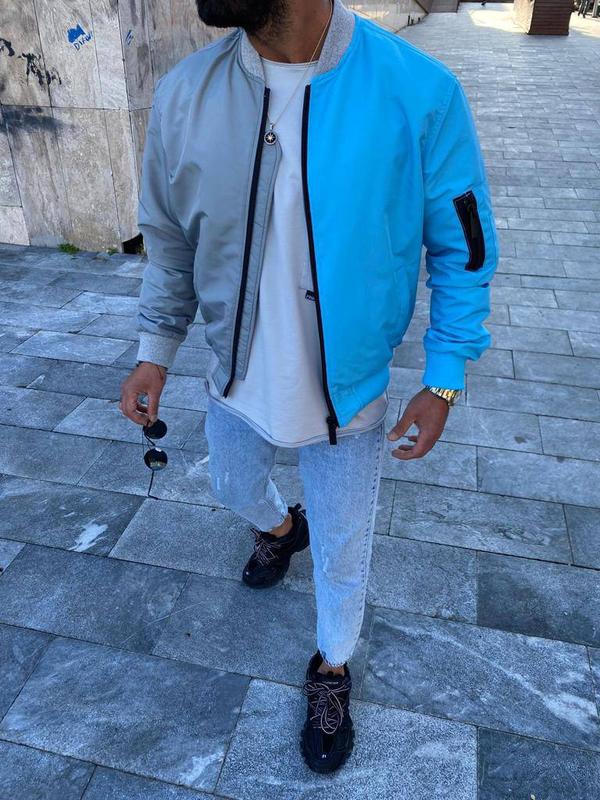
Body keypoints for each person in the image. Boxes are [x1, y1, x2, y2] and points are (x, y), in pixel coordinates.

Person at [120, 0, 498, 774]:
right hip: (234, 378)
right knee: (231, 487)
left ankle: (331, 666)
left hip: (349, 398)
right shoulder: (184, 93)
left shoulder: (419, 91)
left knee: (344, 550)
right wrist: (155, 349)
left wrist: (445, 377)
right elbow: (168, 238)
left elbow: (462, 244)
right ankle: (277, 527)